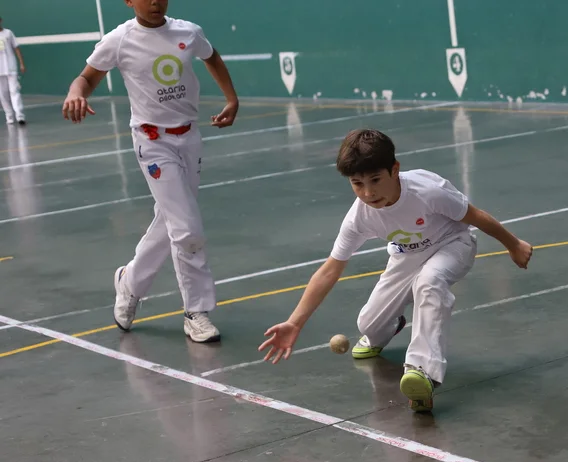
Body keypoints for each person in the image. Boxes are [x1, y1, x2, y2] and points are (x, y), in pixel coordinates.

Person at [259, 129, 534, 413]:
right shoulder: (359, 217)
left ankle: (422, 372)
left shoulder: (428, 191)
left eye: (375, 180)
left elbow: (475, 216)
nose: (368, 193)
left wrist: (513, 244)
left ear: (394, 170)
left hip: (453, 244)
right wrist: (295, 323)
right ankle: (391, 326)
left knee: (429, 282)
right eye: (357, 184)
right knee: (369, 325)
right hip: (407, 256)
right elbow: (330, 270)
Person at [62, 0, 240, 343]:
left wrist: (231, 99)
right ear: (129, 1)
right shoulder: (119, 40)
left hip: (189, 138)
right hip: (153, 143)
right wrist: (75, 92)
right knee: (187, 229)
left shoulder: (188, 32)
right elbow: (86, 77)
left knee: (172, 220)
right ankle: (196, 311)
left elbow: (212, 57)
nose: (155, 1)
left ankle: (130, 282)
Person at [0, 16, 26, 126]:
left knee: (14, 91)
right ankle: (9, 116)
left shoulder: (8, 33)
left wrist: (21, 63)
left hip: (11, 68)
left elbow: (16, 48)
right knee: (2, 94)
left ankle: (20, 116)